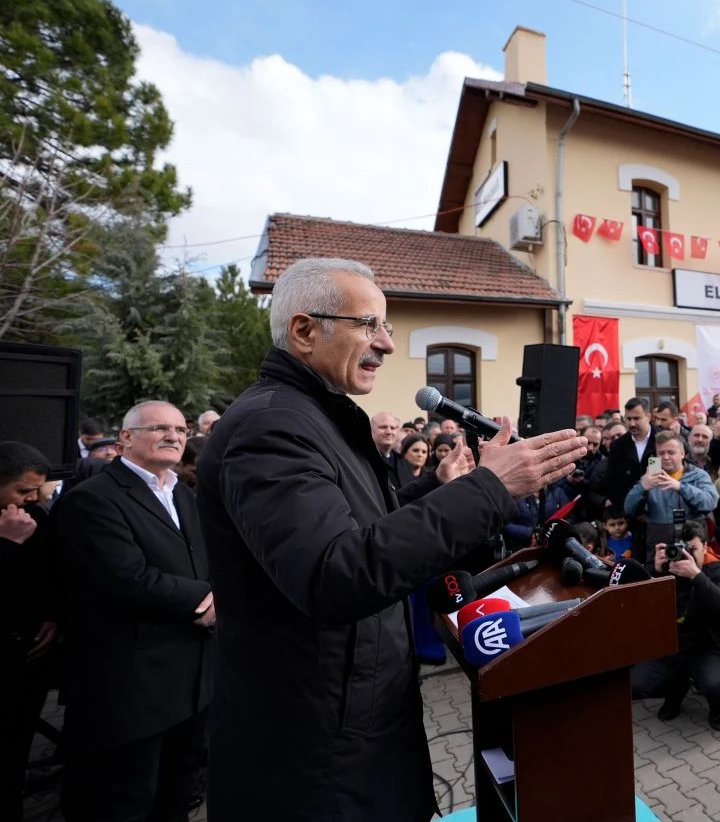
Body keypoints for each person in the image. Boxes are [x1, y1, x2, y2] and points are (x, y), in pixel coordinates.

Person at [196, 257, 585, 822]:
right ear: (305, 331)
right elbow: (336, 573)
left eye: (389, 328)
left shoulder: (318, 417)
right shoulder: (271, 426)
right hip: (315, 759)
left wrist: (441, 488)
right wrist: (490, 488)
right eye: (369, 326)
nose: (385, 344)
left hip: (355, 726)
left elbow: (363, 527)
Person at [53, 401, 215, 821]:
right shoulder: (93, 498)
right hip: (129, 689)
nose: (173, 436)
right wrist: (207, 600)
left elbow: (206, 559)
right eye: (159, 427)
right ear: (125, 438)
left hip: (191, 684)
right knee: (122, 802)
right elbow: (124, 577)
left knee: (175, 799)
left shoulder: (183, 493)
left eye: (180, 429)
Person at [0, 443, 58, 822]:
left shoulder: (36, 515)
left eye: (37, 490)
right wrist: (7, 545)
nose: (33, 498)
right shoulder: (16, 527)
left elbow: (54, 575)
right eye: (23, 491)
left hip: (25, 665)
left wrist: (55, 616)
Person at [632, 520, 720, 730]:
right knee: (637, 684)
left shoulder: (716, 570)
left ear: (706, 547)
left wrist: (696, 576)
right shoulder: (664, 568)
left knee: (717, 686)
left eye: (693, 549)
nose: (686, 555)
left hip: (704, 649)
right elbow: (641, 610)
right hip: (670, 649)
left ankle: (717, 708)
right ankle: (676, 689)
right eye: (681, 549)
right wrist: (657, 573)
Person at [623, 431, 718, 550]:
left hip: (692, 540)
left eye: (671, 453)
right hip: (659, 541)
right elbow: (628, 508)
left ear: (682, 454)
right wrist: (642, 487)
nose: (666, 457)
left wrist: (680, 487)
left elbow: (710, 502)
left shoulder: (699, 475)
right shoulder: (650, 477)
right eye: (661, 453)